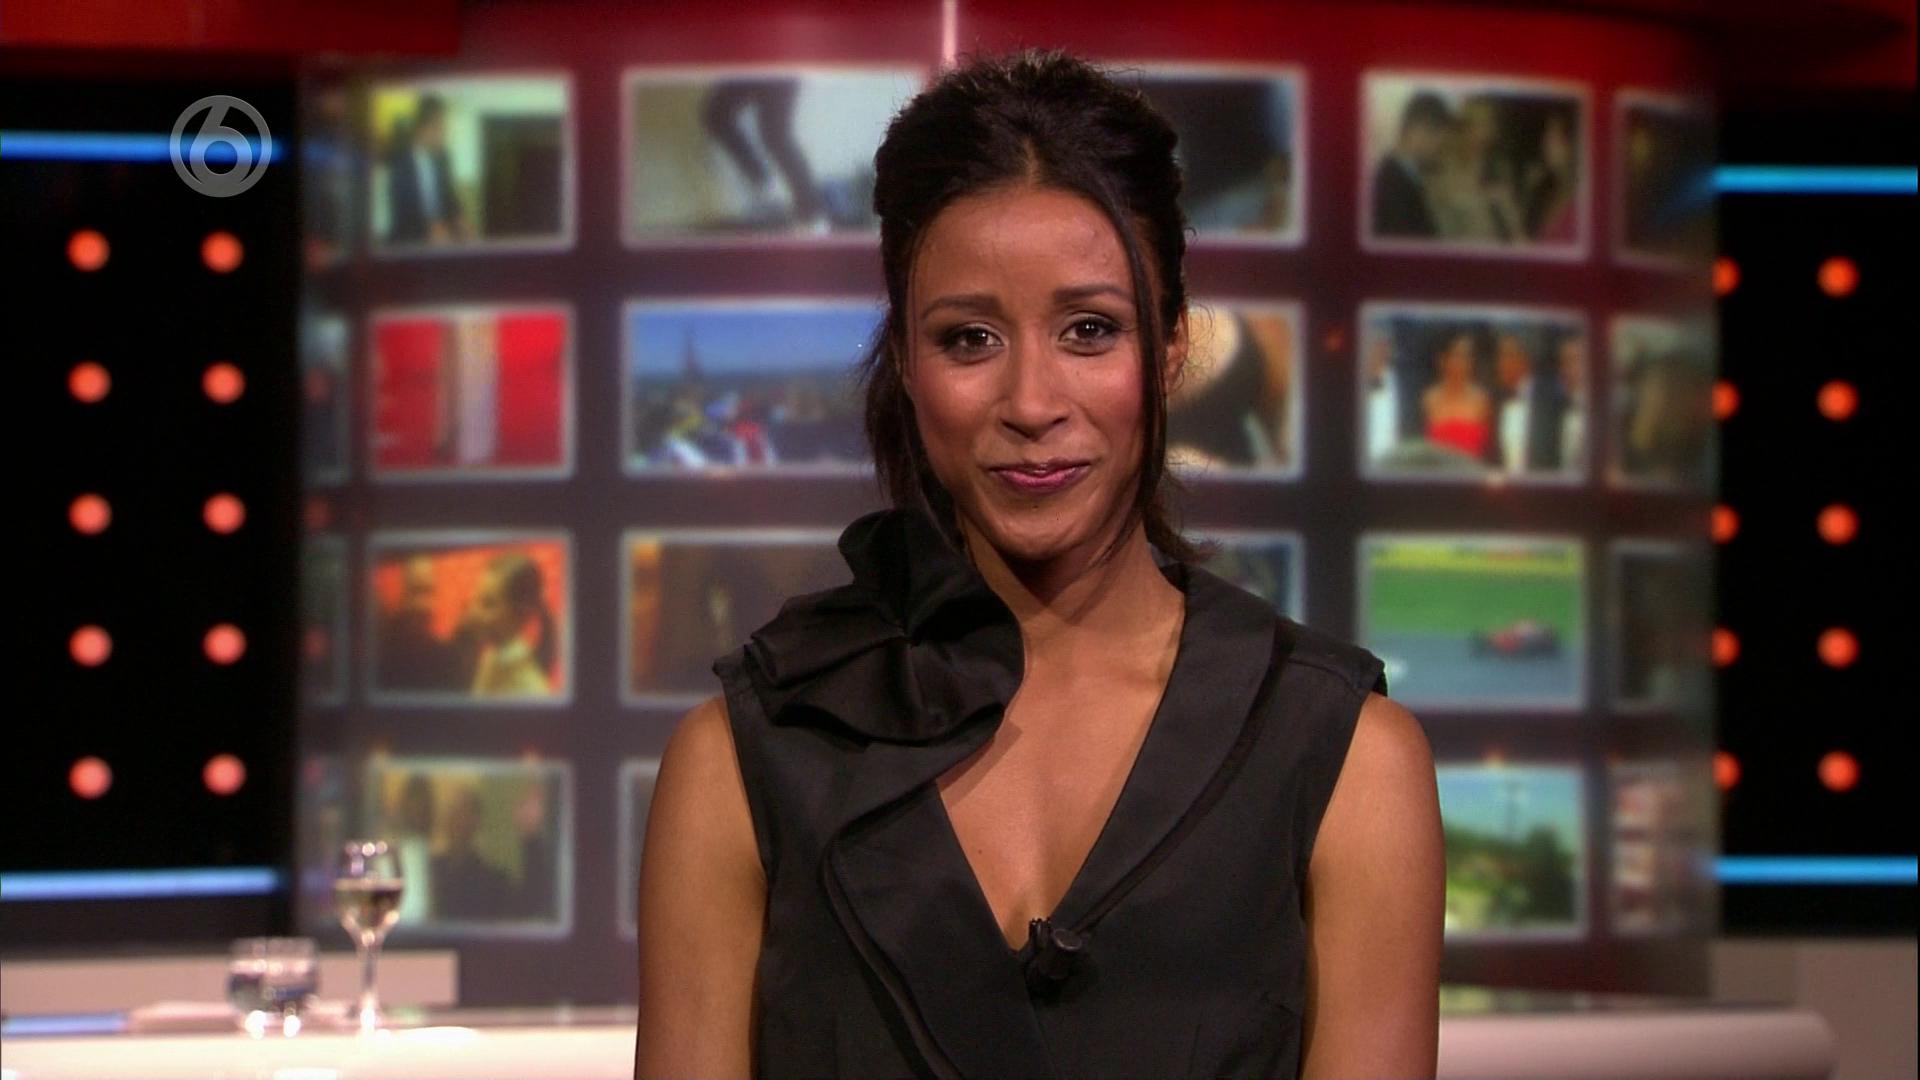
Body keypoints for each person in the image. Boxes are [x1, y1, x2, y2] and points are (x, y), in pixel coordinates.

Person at [636, 51, 1442, 1079]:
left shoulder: (1347, 762)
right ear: (905, 361)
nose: (1030, 402)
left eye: (1089, 330)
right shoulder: (740, 762)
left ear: (1171, 348)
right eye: (970, 338)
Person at [463, 552, 556, 697]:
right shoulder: (492, 657)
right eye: (475, 600)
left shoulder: (532, 691)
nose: (473, 612)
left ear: (521, 615)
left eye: (488, 604)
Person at [384, 93, 466, 246]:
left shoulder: (443, 158)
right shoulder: (399, 160)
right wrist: (429, 228)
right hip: (409, 242)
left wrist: (460, 218)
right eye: (441, 128)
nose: (445, 134)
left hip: (443, 240)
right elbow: (401, 210)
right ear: (424, 128)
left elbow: (450, 197)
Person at [1371, 90, 1451, 238]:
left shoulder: (1404, 176)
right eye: (1439, 138)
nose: (1439, 148)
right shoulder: (1390, 183)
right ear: (1418, 130)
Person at [1421, 331, 1493, 461]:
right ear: (1442, 360)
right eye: (1459, 356)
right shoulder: (1428, 398)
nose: (1466, 362)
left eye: (1469, 356)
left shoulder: (1483, 399)